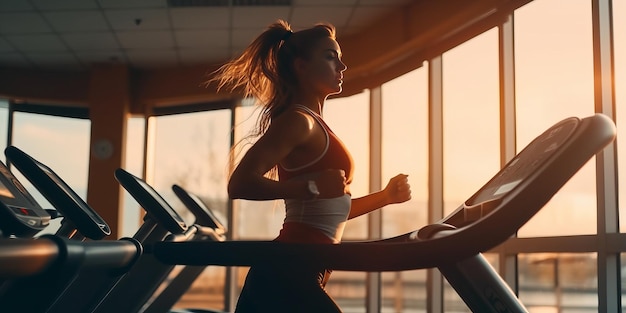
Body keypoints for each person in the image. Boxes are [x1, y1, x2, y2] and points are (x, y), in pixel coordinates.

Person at [210, 19, 412, 313]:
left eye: (340, 58)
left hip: (298, 269)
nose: (342, 67)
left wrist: (385, 197)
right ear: (301, 66)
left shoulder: (315, 125)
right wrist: (310, 187)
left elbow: (327, 211)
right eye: (330, 57)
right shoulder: (298, 121)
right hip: (287, 271)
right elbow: (239, 184)